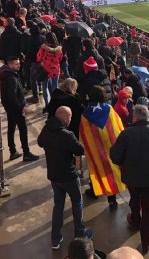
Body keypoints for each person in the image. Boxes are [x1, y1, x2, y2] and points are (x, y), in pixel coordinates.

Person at [110, 105, 149, 254]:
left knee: (135, 199)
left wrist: (124, 161)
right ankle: (146, 242)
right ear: (147, 117)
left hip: (132, 177)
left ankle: (135, 221)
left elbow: (115, 156)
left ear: (134, 117)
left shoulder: (126, 134)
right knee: (148, 208)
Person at [38, 106, 92, 250]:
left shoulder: (46, 129)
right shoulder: (67, 135)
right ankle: (80, 234)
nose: (70, 120)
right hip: (69, 175)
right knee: (77, 202)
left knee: (58, 206)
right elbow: (79, 150)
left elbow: (40, 142)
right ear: (64, 118)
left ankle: (55, 239)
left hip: (54, 176)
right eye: (69, 117)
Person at [80, 85, 125, 208]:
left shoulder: (85, 114)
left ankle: (95, 191)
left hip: (96, 150)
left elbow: (83, 134)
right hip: (110, 147)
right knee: (111, 172)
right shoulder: (109, 109)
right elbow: (119, 127)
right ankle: (112, 200)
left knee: (96, 169)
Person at [0, 56, 38, 162]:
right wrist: (22, 107)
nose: (19, 65)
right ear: (10, 65)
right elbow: (12, 96)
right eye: (16, 64)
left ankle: (13, 151)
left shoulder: (7, 75)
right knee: (23, 130)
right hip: (16, 108)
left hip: (10, 108)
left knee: (11, 128)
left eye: (19, 63)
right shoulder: (11, 77)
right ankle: (26, 153)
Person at [37, 32, 63, 106]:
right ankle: (56, 104)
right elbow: (60, 58)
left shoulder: (43, 48)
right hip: (55, 69)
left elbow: (38, 58)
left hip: (45, 69)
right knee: (55, 87)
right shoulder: (59, 49)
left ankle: (47, 104)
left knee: (45, 88)